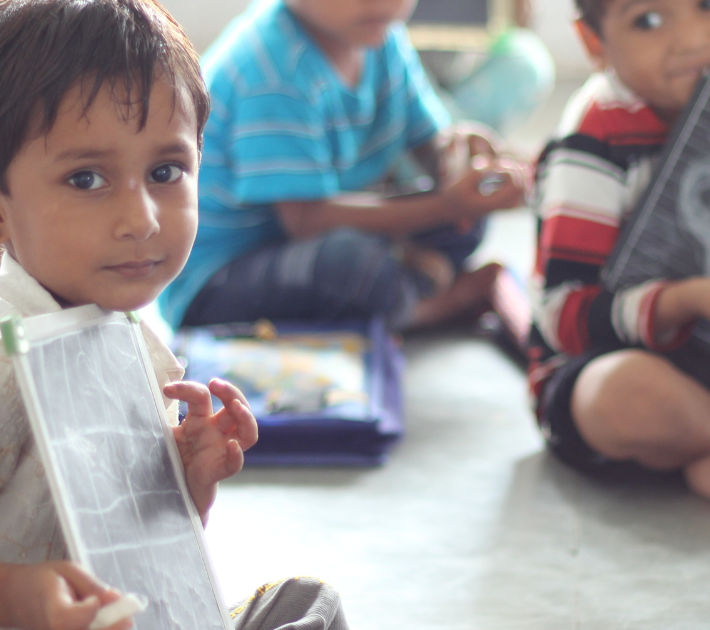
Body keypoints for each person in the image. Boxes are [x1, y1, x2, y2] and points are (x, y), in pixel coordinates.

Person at [0, 2, 347, 629]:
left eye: (166, 172)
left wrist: (184, 488)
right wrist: (13, 598)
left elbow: (123, 558)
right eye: (86, 179)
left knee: (306, 604)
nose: (141, 219)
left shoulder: (121, 339)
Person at [159, 0, 530, 332]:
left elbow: (428, 142)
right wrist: (446, 204)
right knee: (351, 265)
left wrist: (461, 157)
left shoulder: (383, 38)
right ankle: (426, 306)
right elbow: (305, 220)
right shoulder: (272, 70)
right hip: (219, 278)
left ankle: (402, 283)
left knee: (466, 221)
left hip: (310, 235)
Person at [527, 0, 710, 498]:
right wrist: (686, 300)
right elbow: (562, 318)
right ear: (593, 41)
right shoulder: (593, 139)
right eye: (648, 20)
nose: (693, 39)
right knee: (624, 394)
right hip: (610, 359)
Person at [416, 0, 555, 135]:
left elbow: (522, 19)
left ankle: (455, 136)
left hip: (464, 80)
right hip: (409, 75)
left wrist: (515, 12)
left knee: (529, 59)